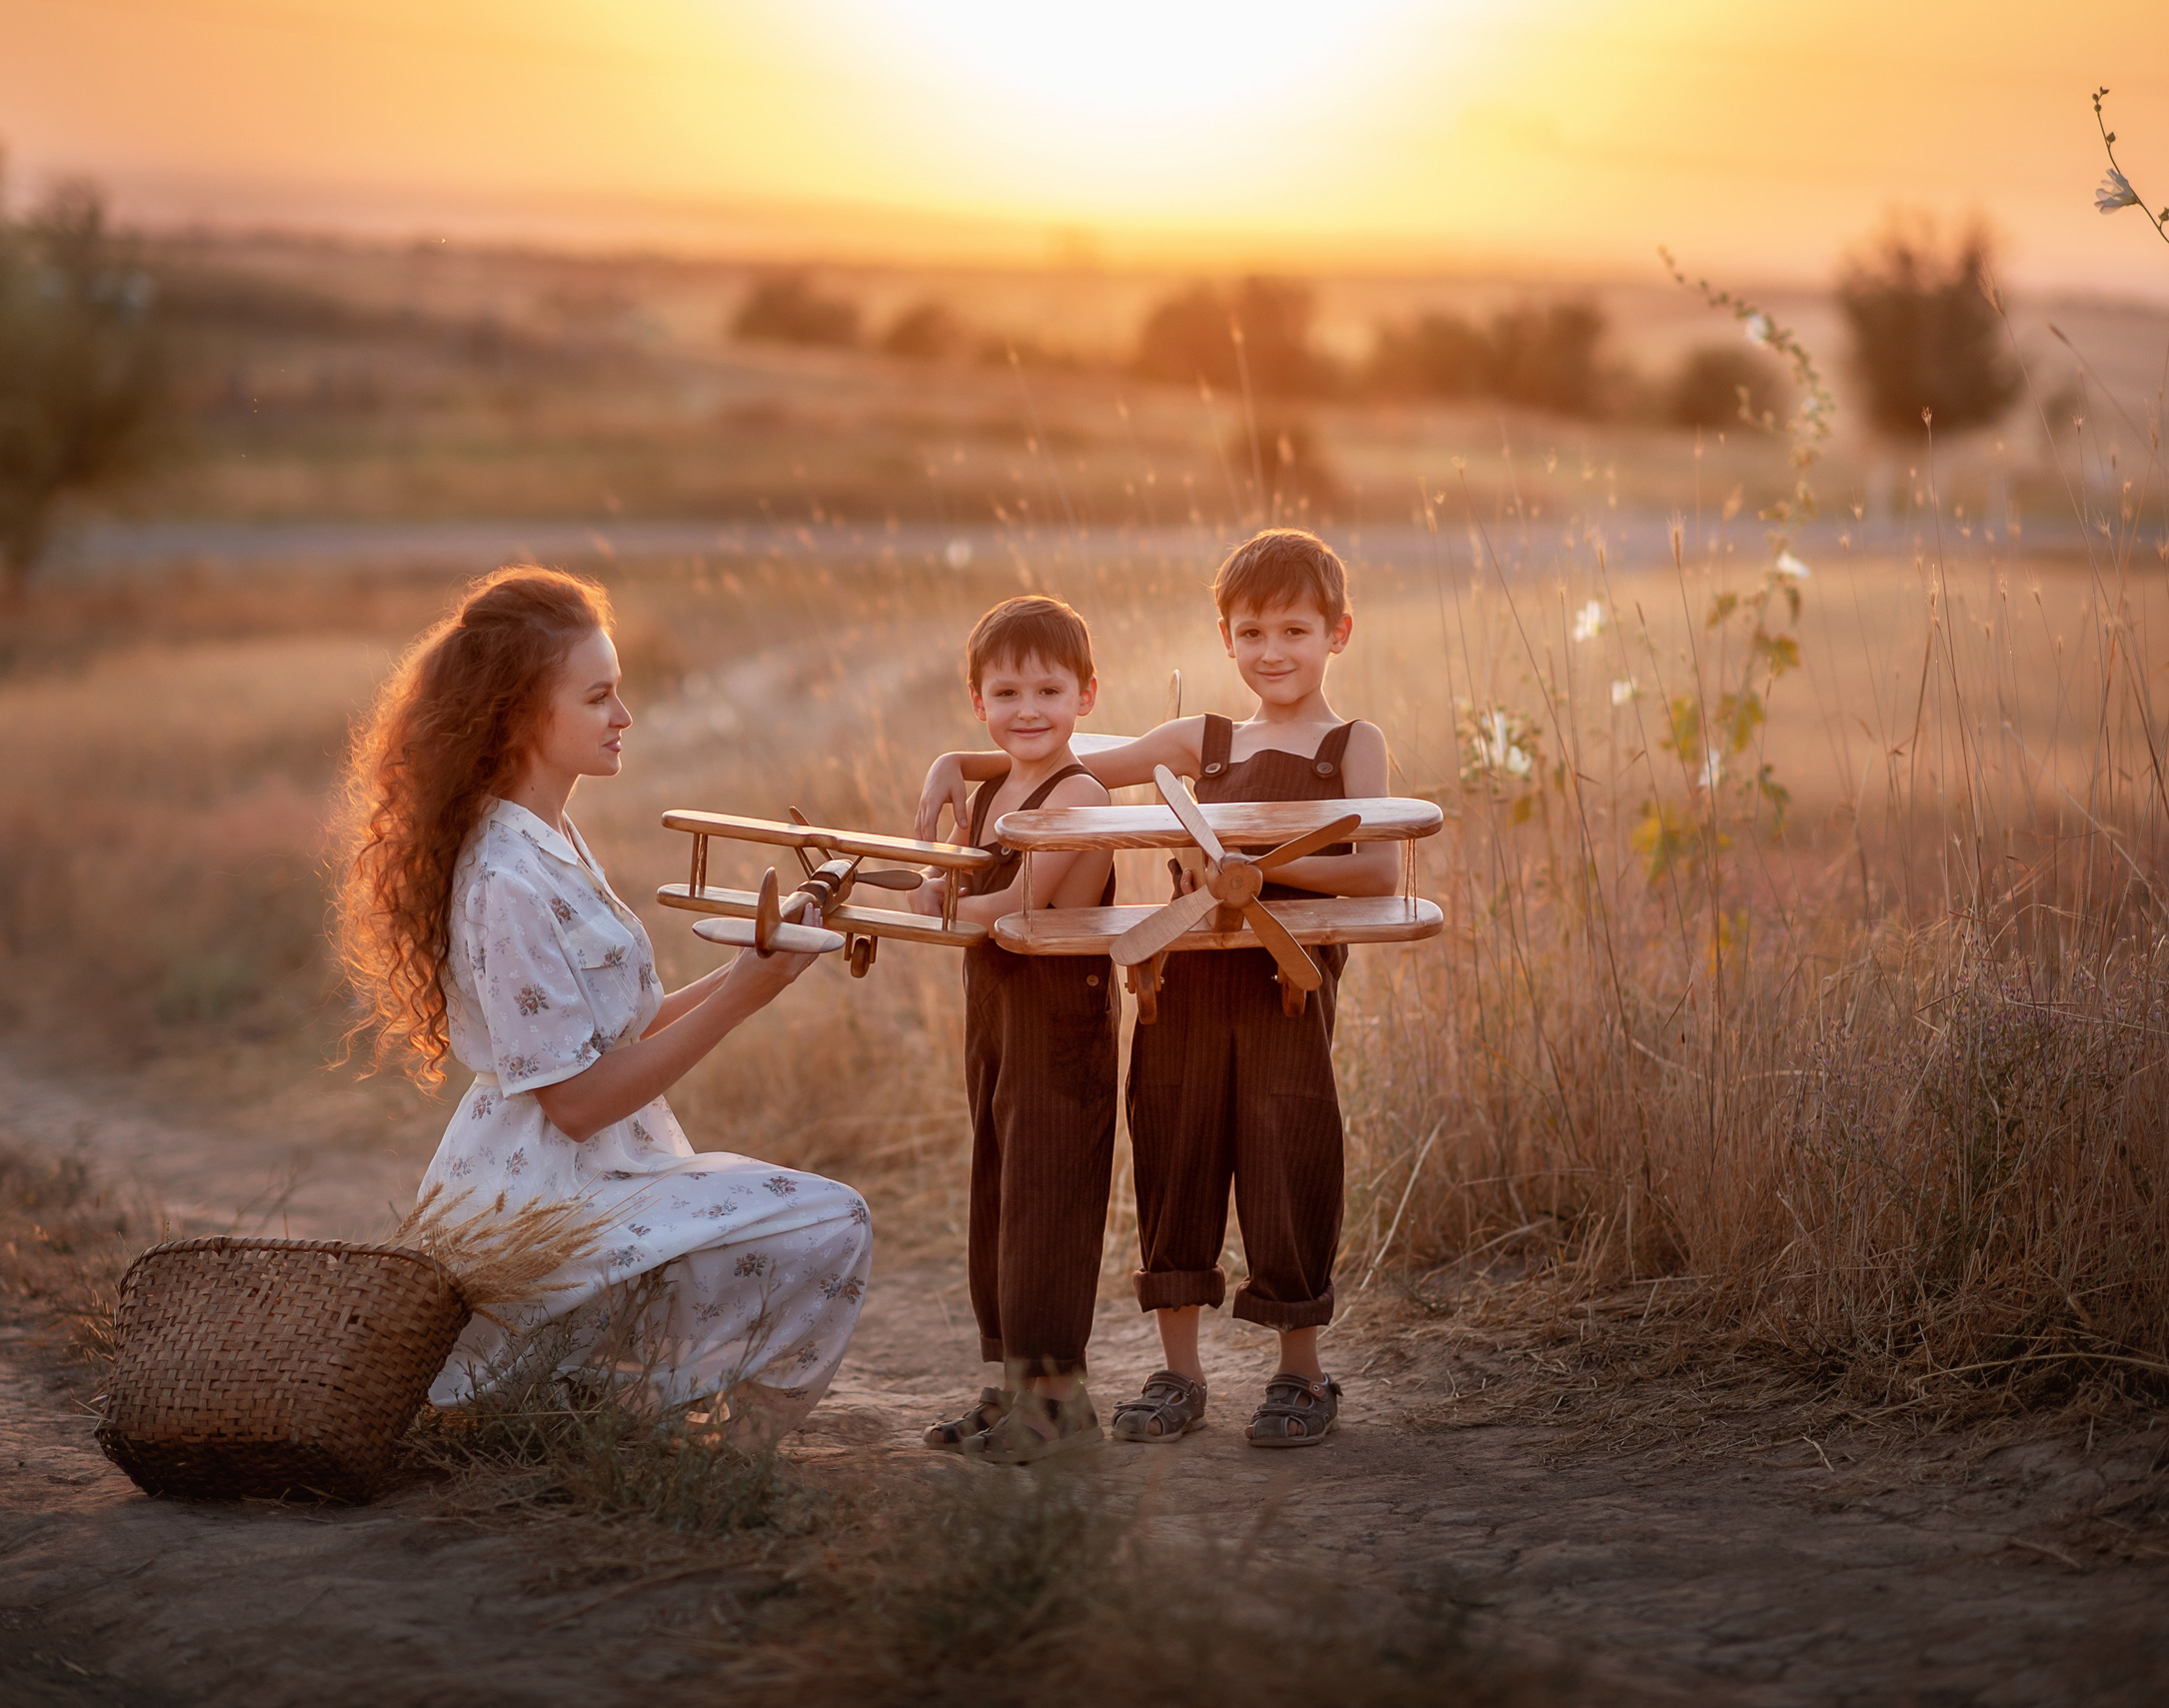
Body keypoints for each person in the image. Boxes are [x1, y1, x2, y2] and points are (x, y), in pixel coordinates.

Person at [336, 566, 871, 1445]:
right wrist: (739, 1000)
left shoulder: (548, 835)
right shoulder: (505, 875)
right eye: (597, 697)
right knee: (834, 1219)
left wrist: (755, 968)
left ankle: (632, 1417)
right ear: (518, 715)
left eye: (617, 690)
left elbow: (614, 1031)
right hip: (545, 1196)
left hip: (593, 1167)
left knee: (810, 1218)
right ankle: (712, 1451)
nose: (624, 715)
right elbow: (575, 1102)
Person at [914, 530, 1397, 1448]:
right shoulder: (1200, 743)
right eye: (1251, 633)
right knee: (1175, 1160)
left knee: (1287, 1159)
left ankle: (1301, 1374)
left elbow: (1376, 869)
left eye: (1294, 631)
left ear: (1337, 633)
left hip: (1286, 992)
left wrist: (1252, 867)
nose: (1272, 652)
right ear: (1226, 638)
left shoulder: (1351, 745)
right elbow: (1065, 757)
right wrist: (958, 764)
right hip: (1178, 988)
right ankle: (1181, 1374)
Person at [907, 596, 1119, 1463]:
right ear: (978, 701)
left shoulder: (1081, 792)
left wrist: (933, 902)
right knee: (997, 1194)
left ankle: (1059, 1401)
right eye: (1006, 693)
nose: (1027, 709)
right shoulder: (996, 786)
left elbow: (1018, 903)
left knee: (1048, 1200)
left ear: (1086, 695)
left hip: (1061, 1027)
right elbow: (963, 883)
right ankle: (1009, 1387)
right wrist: (930, 883)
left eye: (1048, 690)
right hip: (996, 1016)